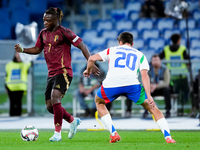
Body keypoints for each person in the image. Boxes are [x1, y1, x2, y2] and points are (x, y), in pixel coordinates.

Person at [14, 7, 100, 142]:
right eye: (44, 20)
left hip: (64, 71)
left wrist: (91, 62)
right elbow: (37, 49)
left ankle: (57, 134)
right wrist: (23, 49)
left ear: (56, 20)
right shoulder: (43, 33)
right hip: (51, 74)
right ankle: (72, 120)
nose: (45, 22)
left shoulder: (65, 32)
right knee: (50, 106)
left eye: (48, 20)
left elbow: (82, 45)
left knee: (55, 98)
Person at [83, 32, 176, 143]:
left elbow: (91, 58)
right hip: (131, 84)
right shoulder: (140, 54)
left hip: (112, 83)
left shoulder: (112, 50)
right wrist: (149, 96)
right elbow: (144, 75)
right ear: (132, 43)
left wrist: (88, 70)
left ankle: (113, 133)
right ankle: (168, 137)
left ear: (120, 42)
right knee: (153, 108)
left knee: (99, 102)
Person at [159, 33, 189, 115]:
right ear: (179, 40)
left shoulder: (166, 49)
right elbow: (188, 60)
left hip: (171, 77)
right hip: (181, 76)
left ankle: (175, 110)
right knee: (184, 93)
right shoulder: (182, 49)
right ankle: (184, 109)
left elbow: (159, 58)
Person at [143, 54, 171, 118]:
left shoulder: (165, 69)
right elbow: (145, 80)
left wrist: (156, 86)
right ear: (151, 62)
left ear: (160, 61)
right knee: (145, 89)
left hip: (161, 89)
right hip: (151, 89)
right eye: (154, 60)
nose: (155, 62)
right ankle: (146, 110)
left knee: (167, 89)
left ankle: (168, 110)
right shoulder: (148, 69)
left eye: (157, 60)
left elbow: (166, 82)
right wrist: (150, 86)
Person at [5, 52, 31, 116]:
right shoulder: (9, 64)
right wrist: (5, 86)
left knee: (18, 102)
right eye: (17, 53)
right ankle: (11, 117)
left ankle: (18, 116)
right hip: (10, 87)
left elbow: (30, 62)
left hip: (20, 87)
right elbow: (6, 76)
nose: (19, 55)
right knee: (12, 103)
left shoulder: (25, 64)